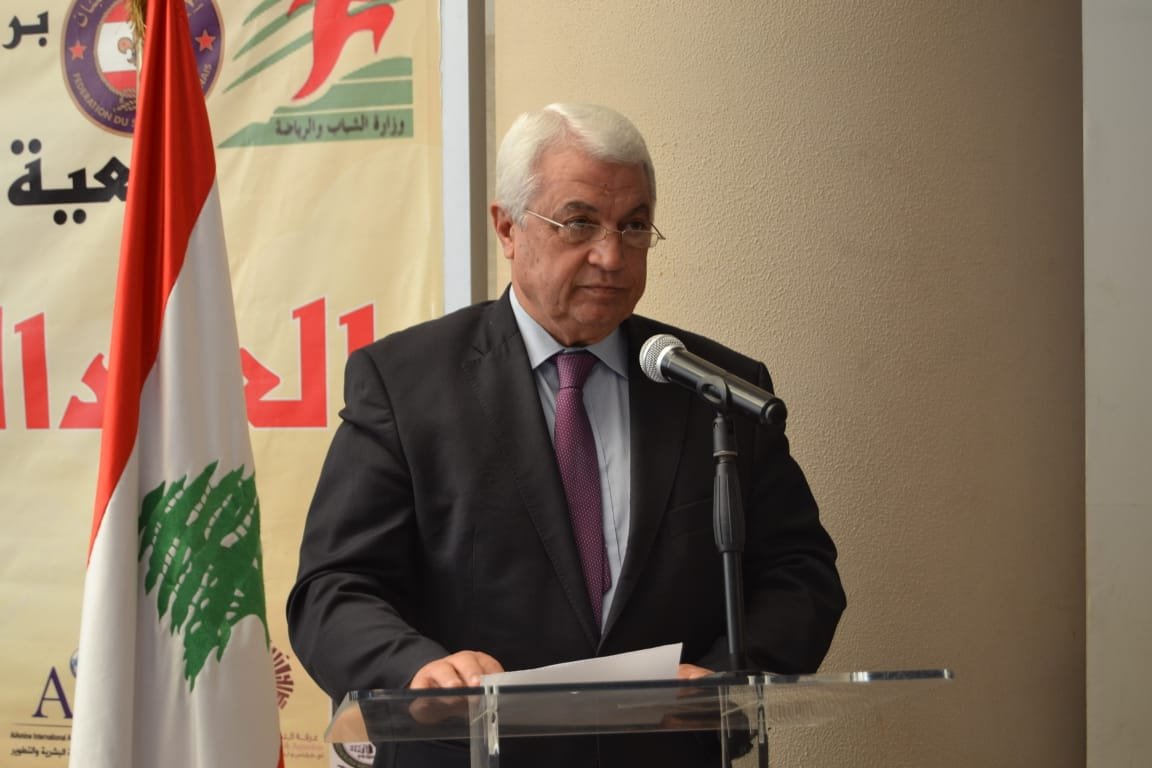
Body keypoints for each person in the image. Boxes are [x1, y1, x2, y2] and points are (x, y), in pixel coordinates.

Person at [287, 102, 846, 768]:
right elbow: (334, 588)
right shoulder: (405, 383)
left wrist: (727, 678)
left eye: (633, 225)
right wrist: (417, 669)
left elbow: (800, 573)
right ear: (507, 228)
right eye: (579, 222)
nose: (611, 256)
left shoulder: (713, 388)